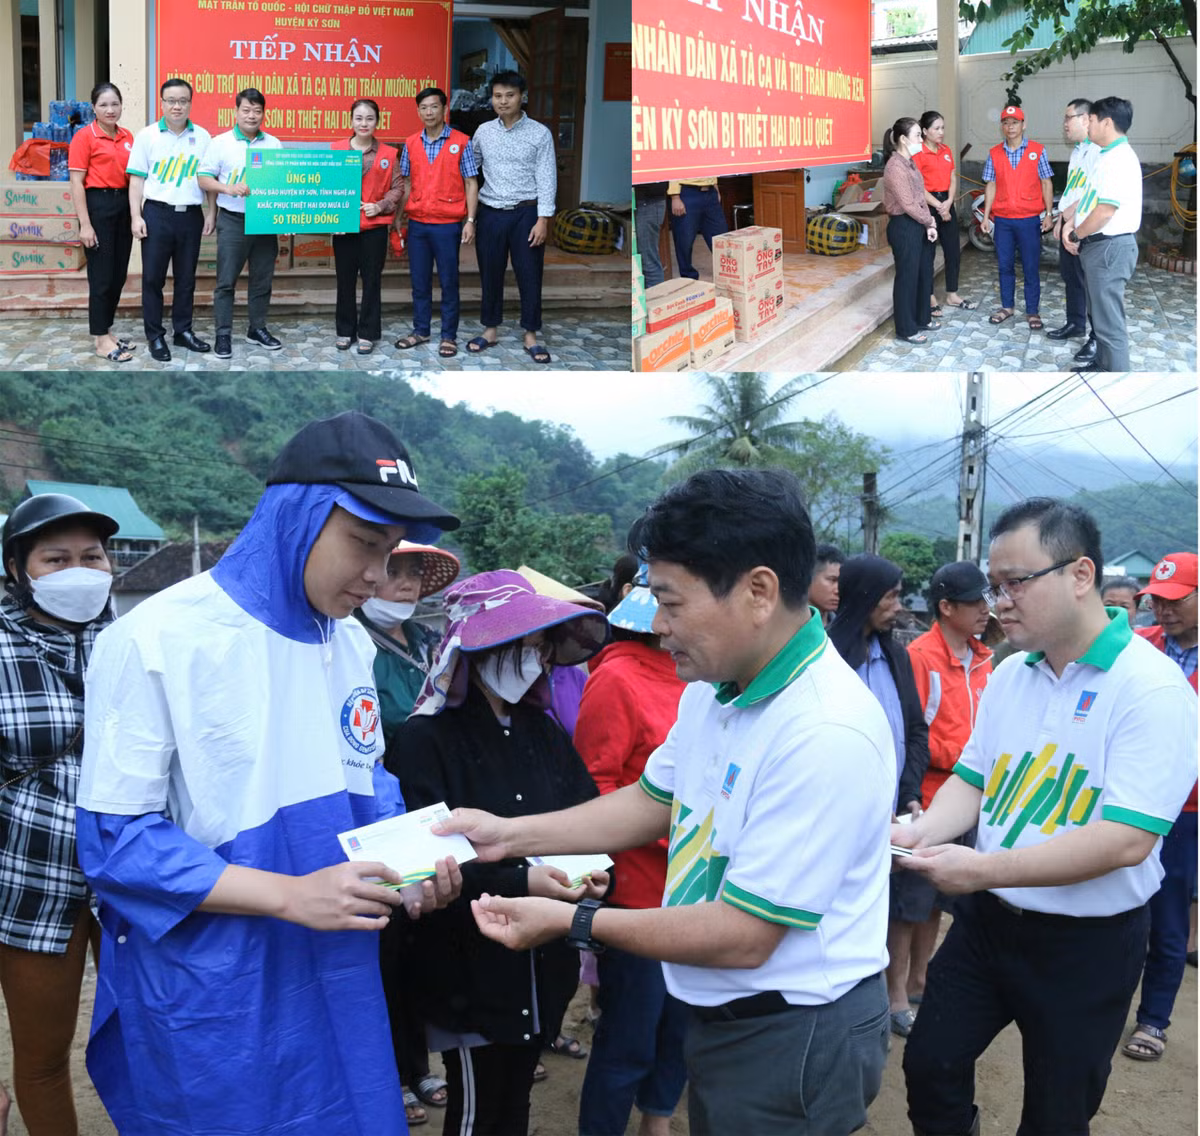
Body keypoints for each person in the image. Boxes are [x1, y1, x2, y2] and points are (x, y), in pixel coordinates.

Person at [438, 469, 896, 1136]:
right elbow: (651, 802)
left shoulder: (825, 730)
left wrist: (571, 920)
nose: (657, 624)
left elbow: (745, 935)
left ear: (759, 591)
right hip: (726, 1011)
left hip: (793, 1032)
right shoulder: (716, 689)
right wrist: (508, 835)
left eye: (671, 602)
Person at [75, 411, 464, 1133]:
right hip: (217, 983)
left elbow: (369, 785)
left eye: (390, 551)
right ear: (298, 516)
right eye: (364, 543)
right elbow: (117, 841)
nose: (377, 574)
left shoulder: (349, 644)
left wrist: (410, 869)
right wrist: (289, 895)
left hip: (337, 965)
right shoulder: (155, 639)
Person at [895, 499, 1197, 1136]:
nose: (999, 603)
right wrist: (920, 832)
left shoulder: (1152, 689)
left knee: (1058, 1113)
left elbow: (1126, 840)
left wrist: (982, 869)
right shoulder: (1011, 674)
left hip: (1087, 942)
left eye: (1016, 583)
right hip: (988, 924)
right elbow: (973, 780)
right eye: (993, 586)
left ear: (1080, 574)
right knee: (929, 1064)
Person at [386, 570, 610, 1136]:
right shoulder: (424, 740)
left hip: (542, 953)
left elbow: (582, 814)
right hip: (468, 961)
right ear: (475, 649)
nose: (536, 659)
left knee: (515, 1098)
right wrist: (521, 883)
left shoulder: (543, 731)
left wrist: (593, 869)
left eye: (540, 646)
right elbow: (425, 863)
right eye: (522, 645)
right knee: (476, 1108)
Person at [0, 493, 118, 1136]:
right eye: (56, 558)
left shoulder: (133, 640)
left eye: (91, 556)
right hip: (31, 877)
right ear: (17, 569)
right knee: (44, 1058)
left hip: (132, 872)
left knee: (156, 1034)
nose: (79, 571)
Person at [574, 564, 688, 1136]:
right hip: (638, 887)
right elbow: (593, 781)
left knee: (681, 1022)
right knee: (631, 1031)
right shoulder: (616, 677)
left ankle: (657, 1121)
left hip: (692, 885)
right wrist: (658, 831)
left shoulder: (702, 680)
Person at [357, 539, 459, 1127]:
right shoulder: (351, 643)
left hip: (436, 810)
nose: (406, 583)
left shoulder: (427, 641)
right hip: (383, 816)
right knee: (386, 950)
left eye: (415, 573)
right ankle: (390, 1071)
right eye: (394, 570)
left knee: (425, 946)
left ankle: (420, 1062)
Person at [829, 555, 930, 1039]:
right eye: (890, 596)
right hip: (842, 813)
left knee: (897, 904)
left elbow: (915, 729)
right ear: (864, 597)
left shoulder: (896, 657)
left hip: (894, 813)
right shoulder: (828, 660)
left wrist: (909, 792)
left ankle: (889, 998)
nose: (897, 606)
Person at [902, 563, 993, 1010]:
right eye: (975, 601)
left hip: (970, 800)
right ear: (946, 607)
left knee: (939, 899)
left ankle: (920, 979)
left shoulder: (984, 658)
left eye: (986, 599)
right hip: (929, 800)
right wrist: (969, 757)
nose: (985, 609)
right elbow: (914, 733)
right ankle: (897, 992)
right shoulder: (920, 656)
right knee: (910, 904)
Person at [1122, 553, 1198, 1064]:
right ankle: (1099, 1004)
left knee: (1168, 917)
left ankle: (1153, 1020)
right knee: (1117, 906)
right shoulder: (1138, 646)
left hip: (1186, 812)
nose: (1164, 611)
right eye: (1157, 601)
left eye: (1176, 601)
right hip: (1126, 799)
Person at [468, 71, 557, 363]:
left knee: (529, 274)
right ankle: (490, 329)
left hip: (526, 213)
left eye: (510, 95)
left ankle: (530, 334)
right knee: (490, 273)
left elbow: (547, 177)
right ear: (491, 99)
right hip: (491, 213)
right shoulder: (483, 132)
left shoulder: (539, 134)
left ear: (522, 97)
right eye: (498, 96)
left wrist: (543, 218)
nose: (503, 101)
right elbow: (470, 169)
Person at [127, 77, 214, 362]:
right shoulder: (147, 136)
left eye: (183, 101)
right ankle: (155, 335)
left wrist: (211, 212)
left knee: (186, 279)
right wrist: (136, 216)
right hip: (156, 214)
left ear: (190, 103)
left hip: (190, 216)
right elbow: (136, 180)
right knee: (153, 279)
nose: (177, 106)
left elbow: (208, 179)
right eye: (171, 101)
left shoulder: (203, 137)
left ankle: (183, 331)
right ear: (162, 103)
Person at [196, 86, 284, 360]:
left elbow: (283, 182)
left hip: (264, 222)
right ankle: (223, 334)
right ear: (236, 111)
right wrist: (228, 188)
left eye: (257, 111)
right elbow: (203, 178)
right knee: (226, 282)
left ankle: (257, 329)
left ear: (264, 114)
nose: (251, 116)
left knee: (262, 280)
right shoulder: (220, 142)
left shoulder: (273, 144)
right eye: (246, 110)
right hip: (233, 220)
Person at [393, 87, 479, 359]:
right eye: (423, 107)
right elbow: (406, 183)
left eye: (434, 106)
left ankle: (448, 336)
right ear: (418, 111)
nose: (429, 112)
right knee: (419, 281)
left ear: (444, 109)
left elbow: (471, 182)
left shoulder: (461, 142)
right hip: (418, 223)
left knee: (449, 281)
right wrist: (398, 217)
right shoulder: (411, 143)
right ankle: (421, 330)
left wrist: (470, 220)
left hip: (447, 224)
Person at [1063, 96, 1142, 373]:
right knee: (1099, 315)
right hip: (1100, 247)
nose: (1088, 125)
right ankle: (1102, 365)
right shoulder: (1106, 155)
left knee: (1109, 325)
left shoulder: (1118, 159)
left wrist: (1076, 234)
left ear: (1106, 123)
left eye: (1092, 120)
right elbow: (1089, 199)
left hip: (1109, 247)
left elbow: (1105, 210)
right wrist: (1071, 224)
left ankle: (1116, 381)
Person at [67, 82, 136, 363]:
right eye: (103, 105)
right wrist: (85, 224)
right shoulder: (84, 137)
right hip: (98, 207)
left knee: (118, 274)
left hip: (123, 206)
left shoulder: (128, 136)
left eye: (115, 104)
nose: (110, 109)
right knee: (101, 277)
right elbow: (76, 182)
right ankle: (99, 339)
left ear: (121, 106)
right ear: (93, 108)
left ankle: (107, 331)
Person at [332, 99, 402, 355]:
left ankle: (368, 333)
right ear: (351, 120)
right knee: (345, 281)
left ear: (377, 122)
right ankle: (345, 330)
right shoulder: (336, 150)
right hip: (344, 229)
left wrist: (380, 206)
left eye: (370, 118)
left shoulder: (389, 154)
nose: (364, 123)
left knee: (372, 281)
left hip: (374, 229)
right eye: (359, 118)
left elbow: (398, 187)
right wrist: (332, 218)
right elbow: (326, 187)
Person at [979, 105, 1054, 332]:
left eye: (1015, 122)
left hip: (1029, 220)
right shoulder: (995, 153)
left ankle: (1032, 311)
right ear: (1002, 126)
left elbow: (1046, 182)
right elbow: (990, 184)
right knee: (1004, 265)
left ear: (1023, 125)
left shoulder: (1037, 151)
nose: (1010, 127)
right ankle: (1007, 307)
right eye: (1006, 122)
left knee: (1031, 266)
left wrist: (1048, 214)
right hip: (1003, 220)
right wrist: (986, 216)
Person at [1048, 98, 1099, 364]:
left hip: (1086, 226)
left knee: (1092, 285)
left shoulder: (1099, 150)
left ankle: (1097, 337)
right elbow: (1072, 190)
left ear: (1085, 119)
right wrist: (1061, 219)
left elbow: (1093, 193)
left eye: (1069, 118)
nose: (1065, 123)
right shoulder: (1078, 151)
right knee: (1071, 277)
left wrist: (1069, 219)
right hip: (1069, 222)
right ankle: (1076, 323)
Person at [882, 118, 939, 345]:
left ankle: (923, 318)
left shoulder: (910, 163)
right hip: (904, 226)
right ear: (904, 139)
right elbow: (907, 203)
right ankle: (905, 329)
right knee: (907, 278)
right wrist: (929, 220)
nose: (921, 140)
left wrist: (928, 224)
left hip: (918, 223)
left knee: (923, 273)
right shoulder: (895, 167)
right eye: (917, 135)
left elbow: (919, 196)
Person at [913, 111, 975, 314]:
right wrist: (939, 206)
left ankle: (952, 294)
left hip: (947, 202)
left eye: (943, 128)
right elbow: (918, 186)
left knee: (953, 250)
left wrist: (949, 202)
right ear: (925, 131)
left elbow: (952, 177)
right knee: (928, 253)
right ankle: (929, 296)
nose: (941, 132)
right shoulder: (918, 153)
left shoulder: (946, 150)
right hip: (928, 205)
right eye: (937, 128)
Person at [667, 177, 725, 280]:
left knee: (721, 236)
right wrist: (675, 196)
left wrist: (716, 187)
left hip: (710, 190)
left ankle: (728, 273)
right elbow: (673, 169)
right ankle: (689, 278)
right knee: (684, 240)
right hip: (687, 192)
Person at [634, 181, 669, 288]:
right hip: (644, 200)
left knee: (648, 262)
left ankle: (656, 297)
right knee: (645, 260)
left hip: (648, 201)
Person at [811, 542, 844, 622]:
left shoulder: (841, 624)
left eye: (842, 581)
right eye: (832, 580)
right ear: (809, 579)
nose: (838, 590)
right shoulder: (789, 626)